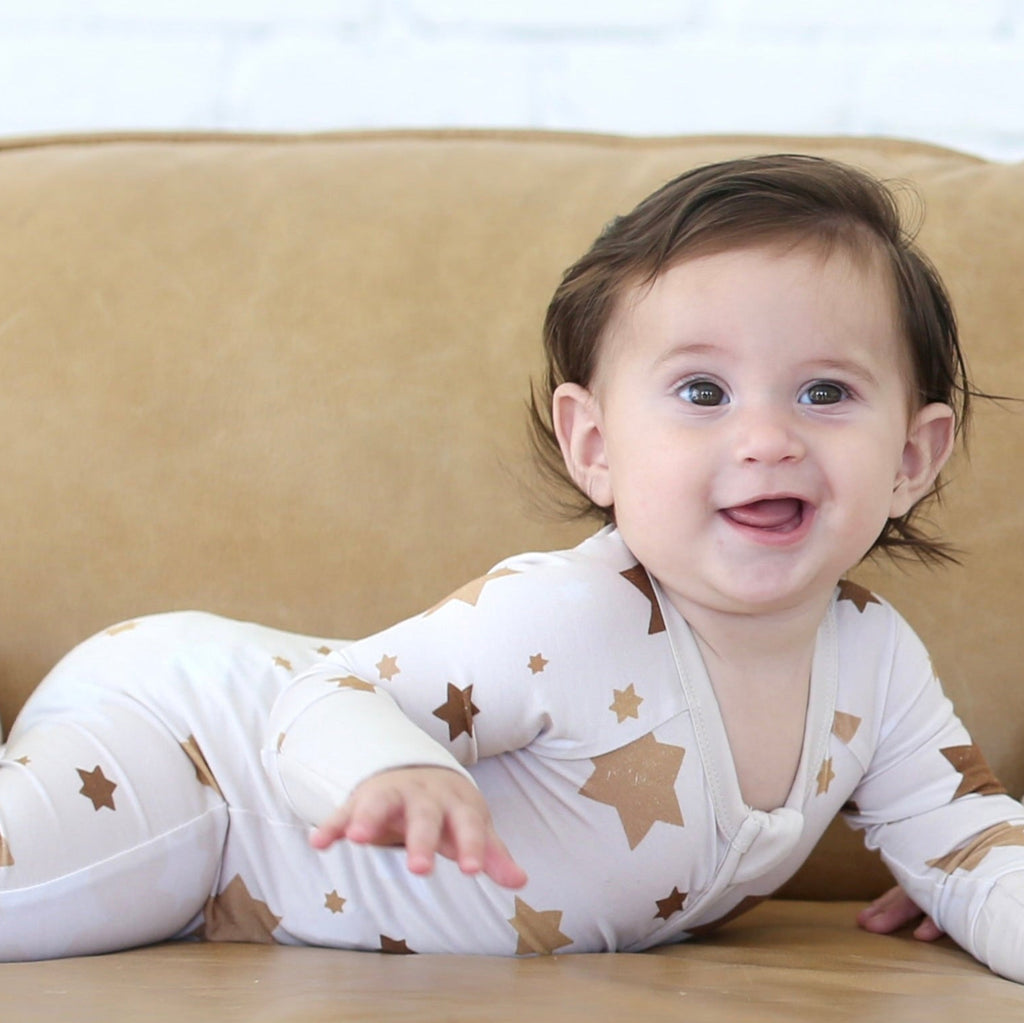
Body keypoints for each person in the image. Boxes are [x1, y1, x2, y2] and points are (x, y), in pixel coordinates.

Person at [2, 155, 1024, 979]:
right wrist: (391, 767)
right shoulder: (569, 614)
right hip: (195, 756)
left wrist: (966, 886)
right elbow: (329, 693)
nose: (766, 438)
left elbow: (968, 841)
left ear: (908, 460)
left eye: (825, 393)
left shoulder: (875, 662)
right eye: (703, 393)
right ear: (594, 447)